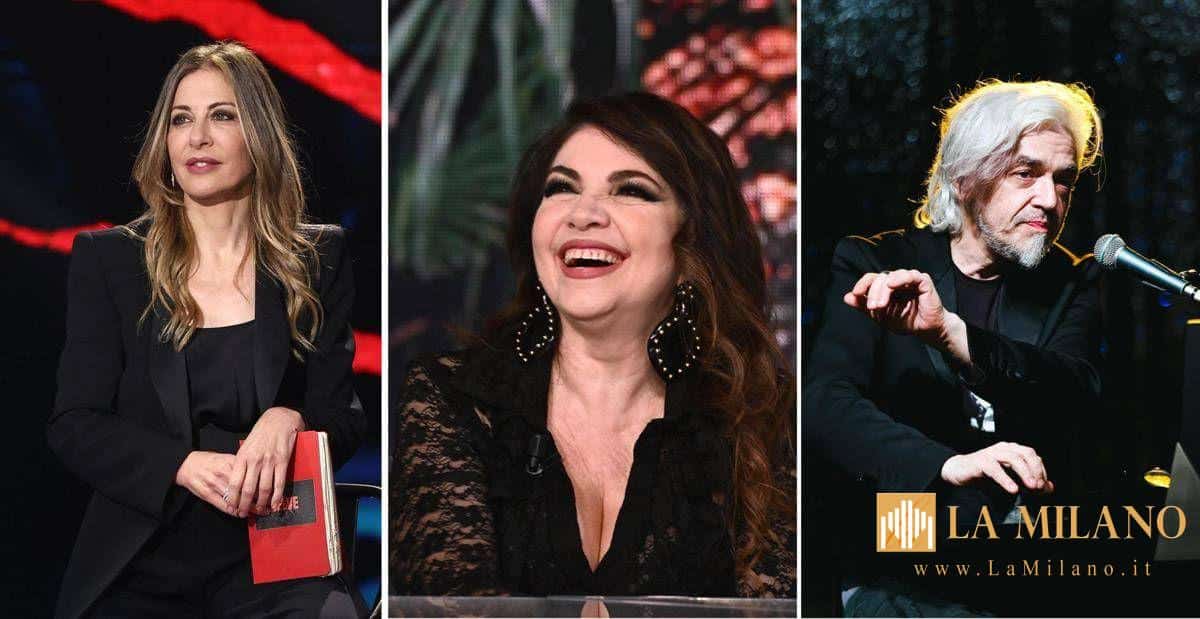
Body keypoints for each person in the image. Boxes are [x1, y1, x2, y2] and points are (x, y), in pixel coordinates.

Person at [390, 92, 796, 597]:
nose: (582, 214)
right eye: (561, 188)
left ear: (692, 237)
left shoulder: (762, 415)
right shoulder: (450, 397)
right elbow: (455, 603)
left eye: (630, 191)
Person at [47, 41, 367, 618]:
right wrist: (181, 465)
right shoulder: (111, 261)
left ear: (259, 134)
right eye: (180, 120)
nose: (197, 138)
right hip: (146, 553)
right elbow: (75, 424)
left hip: (277, 551)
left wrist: (290, 418)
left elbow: (343, 418)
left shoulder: (317, 258)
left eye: (221, 115)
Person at [803, 79, 1104, 616]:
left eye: (1064, 180)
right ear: (965, 178)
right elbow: (826, 405)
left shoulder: (1072, 282)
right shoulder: (876, 263)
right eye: (1026, 173)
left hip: (1025, 566)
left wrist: (952, 335)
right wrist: (946, 465)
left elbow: (1072, 393)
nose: (1050, 199)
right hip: (897, 551)